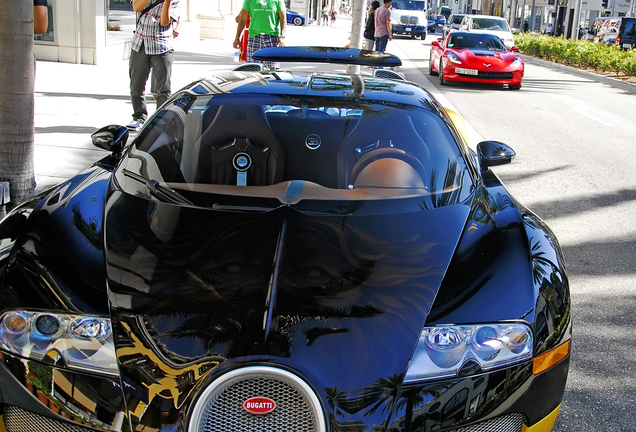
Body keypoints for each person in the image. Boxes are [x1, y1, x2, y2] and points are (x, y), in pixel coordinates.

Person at [126, 0, 181, 131]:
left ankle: (160, 121)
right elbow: (136, 7)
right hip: (140, 44)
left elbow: (164, 22)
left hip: (161, 46)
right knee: (136, 85)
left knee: (163, 89)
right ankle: (138, 117)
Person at [233, 0, 286, 71]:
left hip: (272, 37)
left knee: (271, 69)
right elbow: (242, 20)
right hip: (254, 37)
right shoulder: (249, 1)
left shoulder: (278, 1)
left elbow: (283, 19)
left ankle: (270, 82)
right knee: (252, 68)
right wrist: (237, 38)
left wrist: (282, 36)